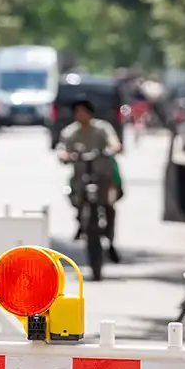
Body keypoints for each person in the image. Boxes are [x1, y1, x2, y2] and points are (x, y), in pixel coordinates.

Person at [56, 99, 123, 264]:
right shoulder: (70, 132)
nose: (81, 115)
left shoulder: (102, 128)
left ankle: (110, 239)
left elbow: (113, 142)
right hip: (81, 174)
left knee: (109, 204)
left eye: (84, 111)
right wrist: (64, 155)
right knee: (74, 195)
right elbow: (62, 148)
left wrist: (113, 148)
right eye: (77, 111)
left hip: (102, 173)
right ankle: (81, 219)